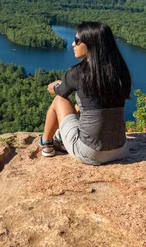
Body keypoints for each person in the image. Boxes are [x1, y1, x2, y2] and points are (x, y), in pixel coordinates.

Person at [40, 21, 131, 165]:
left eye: (77, 41)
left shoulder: (77, 73)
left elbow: (61, 93)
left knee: (59, 101)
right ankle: (59, 139)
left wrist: (55, 86)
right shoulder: (120, 71)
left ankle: (46, 144)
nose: (73, 44)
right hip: (121, 149)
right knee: (79, 106)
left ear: (91, 43)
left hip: (90, 152)